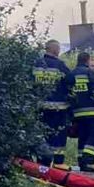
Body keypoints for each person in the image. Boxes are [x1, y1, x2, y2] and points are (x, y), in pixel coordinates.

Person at [32, 39, 72, 167]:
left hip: (39, 107)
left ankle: (42, 162)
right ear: (55, 50)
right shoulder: (60, 65)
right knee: (58, 134)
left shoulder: (36, 64)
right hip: (58, 107)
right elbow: (71, 81)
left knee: (42, 134)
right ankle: (58, 162)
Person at [69, 51, 94, 172]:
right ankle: (89, 161)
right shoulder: (90, 73)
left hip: (77, 112)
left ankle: (82, 162)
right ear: (87, 60)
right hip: (92, 112)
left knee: (83, 136)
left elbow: (68, 92)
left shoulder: (71, 74)